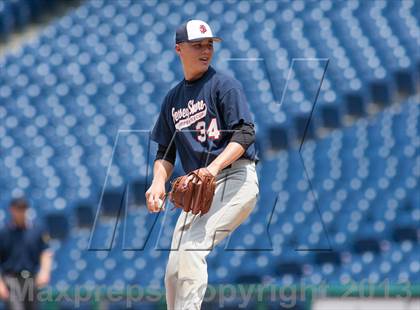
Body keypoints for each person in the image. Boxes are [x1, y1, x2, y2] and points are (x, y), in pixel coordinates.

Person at [146, 20, 259, 309]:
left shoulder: (224, 86)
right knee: (173, 271)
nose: (205, 50)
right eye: (197, 45)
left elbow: (245, 133)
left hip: (235, 178)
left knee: (193, 249)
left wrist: (213, 167)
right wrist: (158, 182)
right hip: (202, 189)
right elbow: (165, 152)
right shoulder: (172, 100)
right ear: (178, 49)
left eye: (209, 44)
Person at [0, 198, 53, 310]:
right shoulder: (4, 233)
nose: (21, 212)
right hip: (11, 279)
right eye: (18, 209)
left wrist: (44, 271)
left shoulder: (37, 230)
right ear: (11, 210)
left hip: (31, 278)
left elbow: (46, 252)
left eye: (24, 208)